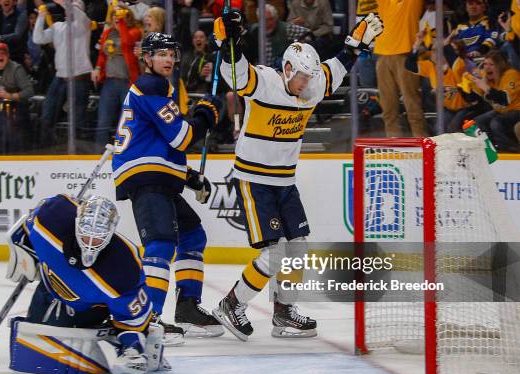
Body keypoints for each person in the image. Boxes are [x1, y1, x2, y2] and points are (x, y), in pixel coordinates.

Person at [211, 10, 383, 340]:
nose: (306, 84)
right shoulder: (265, 82)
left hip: (285, 182)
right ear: (287, 69)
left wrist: (355, 43)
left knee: (299, 248)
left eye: (310, 77)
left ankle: (283, 311)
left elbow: (339, 65)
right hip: (254, 179)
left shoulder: (313, 84)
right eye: (301, 76)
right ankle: (232, 304)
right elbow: (237, 73)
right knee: (273, 253)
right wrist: (229, 42)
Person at [112, 32, 225, 342]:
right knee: (161, 243)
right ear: (147, 58)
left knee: (192, 235)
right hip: (146, 177)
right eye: (160, 54)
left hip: (155, 175)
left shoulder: (159, 89)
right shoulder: (151, 87)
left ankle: (187, 308)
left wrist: (188, 176)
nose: (168, 59)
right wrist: (206, 114)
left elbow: (161, 145)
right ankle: (149, 319)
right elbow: (182, 138)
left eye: (171, 54)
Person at [6, 195, 169, 374]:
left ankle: (143, 337)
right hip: (49, 287)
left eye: (98, 237)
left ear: (110, 233)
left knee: (41, 355)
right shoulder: (51, 215)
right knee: (30, 343)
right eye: (85, 233)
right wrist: (23, 253)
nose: (90, 243)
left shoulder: (123, 266)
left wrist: (133, 348)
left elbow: (132, 318)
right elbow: (24, 228)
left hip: (86, 311)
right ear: (77, 222)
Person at [33, 0, 92, 146]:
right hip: (60, 78)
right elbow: (38, 38)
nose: (70, 9)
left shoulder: (84, 24)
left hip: (80, 77)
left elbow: (79, 14)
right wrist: (41, 17)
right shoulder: (58, 26)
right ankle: (45, 148)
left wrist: (65, 3)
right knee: (47, 114)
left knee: (78, 119)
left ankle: (81, 152)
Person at [375, 0, 429, 138]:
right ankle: (393, 142)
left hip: (404, 56)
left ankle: (421, 141)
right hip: (382, 56)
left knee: (412, 104)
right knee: (388, 107)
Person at [92, 4, 142, 147]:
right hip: (109, 81)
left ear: (128, 16)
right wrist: (97, 68)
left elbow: (126, 43)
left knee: (126, 121)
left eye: (120, 14)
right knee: (103, 120)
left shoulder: (134, 31)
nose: (116, 17)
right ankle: (98, 152)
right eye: (114, 15)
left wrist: (121, 24)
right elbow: (102, 54)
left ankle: (125, 151)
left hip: (127, 82)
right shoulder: (108, 33)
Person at [466, 50, 520, 152]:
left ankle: (508, 150)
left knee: (496, 123)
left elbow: (505, 100)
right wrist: (466, 87)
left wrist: (485, 87)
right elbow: (472, 100)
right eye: (485, 64)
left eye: (491, 64)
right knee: (478, 121)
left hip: (517, 109)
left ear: (499, 66)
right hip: (502, 111)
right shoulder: (486, 77)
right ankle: (490, 149)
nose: (487, 67)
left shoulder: (511, 74)